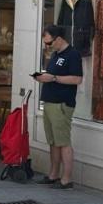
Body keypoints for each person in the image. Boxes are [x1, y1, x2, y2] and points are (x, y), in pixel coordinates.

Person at [36, 23, 82, 189]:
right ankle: (53, 174)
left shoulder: (72, 55)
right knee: (53, 141)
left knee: (63, 141)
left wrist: (53, 78)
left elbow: (77, 79)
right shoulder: (56, 54)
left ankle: (67, 178)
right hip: (50, 102)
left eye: (49, 43)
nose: (47, 46)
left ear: (59, 39)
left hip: (61, 104)